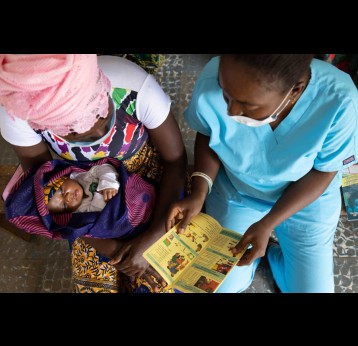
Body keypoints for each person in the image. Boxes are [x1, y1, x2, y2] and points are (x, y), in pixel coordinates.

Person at [166, 54, 358, 293]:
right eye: (226, 96)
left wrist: (267, 224)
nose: (230, 110)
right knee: (217, 287)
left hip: (306, 202)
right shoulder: (215, 77)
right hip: (239, 194)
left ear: (295, 91)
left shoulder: (339, 99)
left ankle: (275, 253)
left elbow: (324, 172)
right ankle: (266, 254)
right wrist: (199, 191)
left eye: (247, 106)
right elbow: (208, 132)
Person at [0, 54, 187, 293]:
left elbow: (175, 159)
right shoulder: (21, 115)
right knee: (98, 286)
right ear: (45, 126)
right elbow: (44, 190)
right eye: (81, 135)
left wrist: (154, 236)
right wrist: (107, 246)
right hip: (83, 210)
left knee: (164, 282)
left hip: (149, 183)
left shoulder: (135, 89)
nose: (101, 130)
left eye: (103, 113)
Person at [44, 163, 120, 213]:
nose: (68, 198)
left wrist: (108, 184)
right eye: (64, 205)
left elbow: (103, 167)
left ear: (64, 178)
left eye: (62, 191)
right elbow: (101, 209)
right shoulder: (82, 209)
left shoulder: (80, 175)